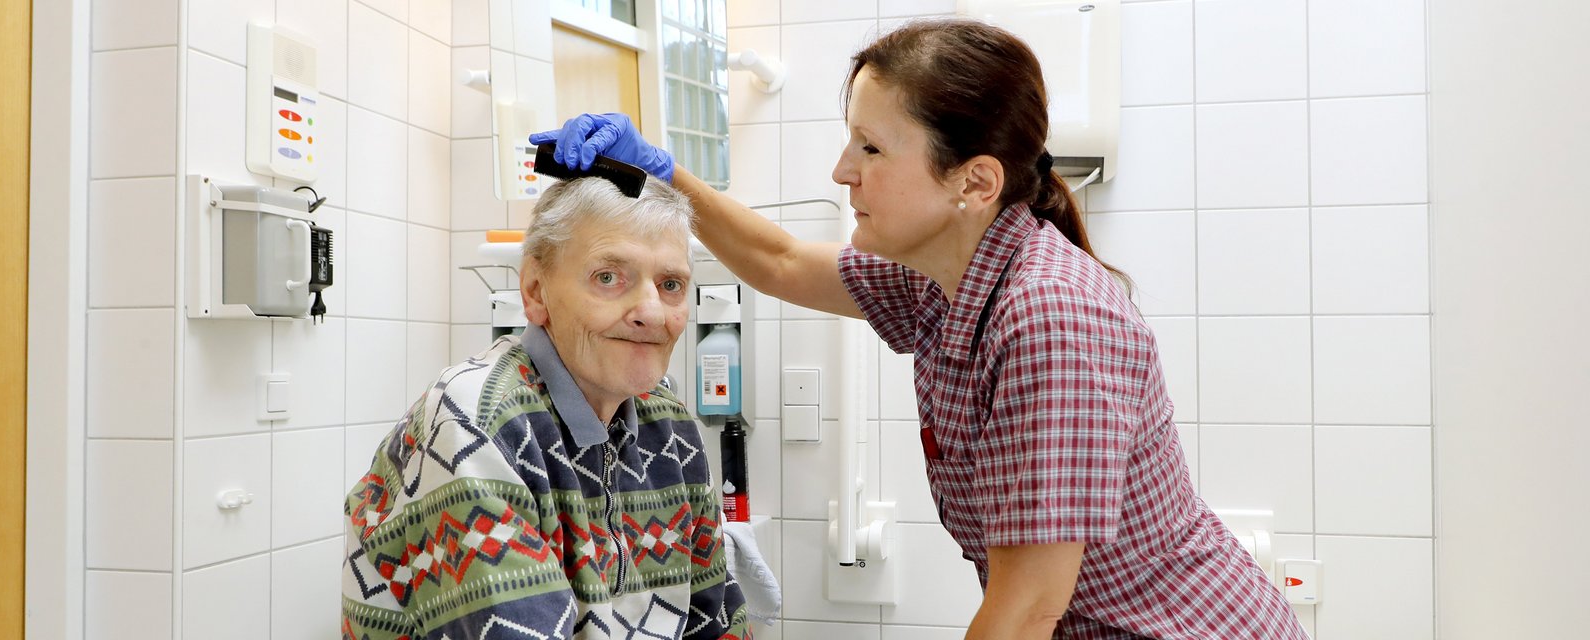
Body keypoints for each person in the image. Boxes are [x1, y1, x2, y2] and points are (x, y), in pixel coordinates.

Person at [531, 18, 1307, 640]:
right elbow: (774, 259)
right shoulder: (946, 279)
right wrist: (662, 171)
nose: (842, 170)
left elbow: (1029, 607)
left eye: (870, 147)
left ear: (974, 182)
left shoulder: (1049, 316)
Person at [341, 177, 751, 639]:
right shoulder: (474, 426)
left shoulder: (669, 422)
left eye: (670, 284)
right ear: (536, 292)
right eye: (609, 277)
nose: (652, 313)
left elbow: (717, 622)